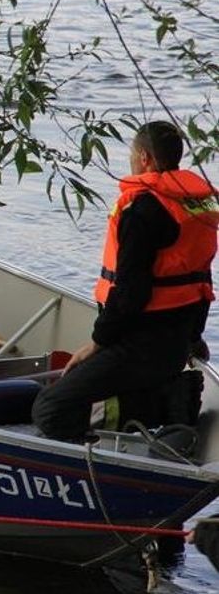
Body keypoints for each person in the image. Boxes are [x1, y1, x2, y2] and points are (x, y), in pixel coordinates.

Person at [32, 120, 218, 442]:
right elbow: (201, 281)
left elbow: (131, 293)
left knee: (50, 409)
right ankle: (170, 395)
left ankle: (163, 404)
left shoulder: (143, 209)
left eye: (132, 154)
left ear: (144, 157)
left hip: (139, 343)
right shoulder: (194, 207)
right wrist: (192, 338)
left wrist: (97, 344)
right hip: (176, 342)